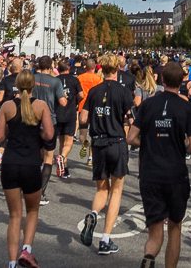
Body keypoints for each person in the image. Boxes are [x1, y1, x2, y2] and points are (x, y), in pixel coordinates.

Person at [127, 61, 191, 268]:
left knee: (155, 230)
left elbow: (131, 138)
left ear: (162, 79)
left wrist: (148, 142)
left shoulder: (148, 104)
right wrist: (181, 144)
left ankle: (149, 258)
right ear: (182, 81)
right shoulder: (187, 108)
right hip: (175, 175)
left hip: (150, 174)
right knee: (175, 227)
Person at [0, 70, 54, 268]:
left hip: (10, 163)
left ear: (17, 86)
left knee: (14, 216)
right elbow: (49, 135)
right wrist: (37, 130)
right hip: (30, 164)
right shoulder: (41, 106)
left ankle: (11, 263)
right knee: (33, 211)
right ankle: (26, 250)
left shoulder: (8, 106)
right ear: (34, 84)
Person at [80, 54, 134, 255]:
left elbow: (84, 117)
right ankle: (105, 239)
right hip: (117, 141)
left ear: (102, 69)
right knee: (116, 191)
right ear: (118, 69)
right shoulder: (123, 91)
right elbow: (130, 119)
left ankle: (93, 213)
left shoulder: (94, 91)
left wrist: (88, 129)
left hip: (99, 143)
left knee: (102, 190)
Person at [31, 57, 67, 205]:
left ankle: (30, 188)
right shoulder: (55, 81)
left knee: (35, 157)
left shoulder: (32, 79)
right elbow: (63, 102)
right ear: (51, 66)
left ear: (39, 65)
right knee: (48, 159)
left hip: (32, 120)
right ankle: (41, 194)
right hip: (49, 122)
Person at [54, 60, 82, 180]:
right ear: (68, 69)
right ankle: (63, 157)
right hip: (70, 113)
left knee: (61, 141)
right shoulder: (74, 80)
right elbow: (81, 95)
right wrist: (76, 102)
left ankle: (64, 168)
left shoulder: (55, 80)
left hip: (57, 113)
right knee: (69, 140)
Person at [76, 57, 101, 165]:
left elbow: (78, 93)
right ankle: (91, 157)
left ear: (85, 67)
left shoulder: (79, 78)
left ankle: (84, 142)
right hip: (94, 107)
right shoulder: (99, 79)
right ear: (95, 67)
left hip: (82, 107)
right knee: (94, 134)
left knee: (82, 132)